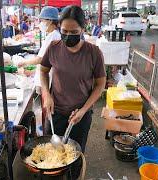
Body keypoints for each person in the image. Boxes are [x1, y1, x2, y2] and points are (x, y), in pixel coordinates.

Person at [40, 5, 106, 153]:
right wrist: (46, 94)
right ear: (59, 28)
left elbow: (100, 84)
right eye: (64, 31)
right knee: (51, 154)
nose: (68, 35)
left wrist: (83, 110)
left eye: (74, 32)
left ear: (83, 29)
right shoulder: (53, 47)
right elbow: (43, 71)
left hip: (80, 115)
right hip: (55, 113)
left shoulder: (94, 53)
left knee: (74, 156)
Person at [18, 6, 61, 89]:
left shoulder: (53, 36)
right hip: (47, 76)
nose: (40, 23)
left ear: (50, 21)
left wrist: (24, 62)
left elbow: (41, 59)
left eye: (42, 20)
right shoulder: (53, 35)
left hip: (48, 79)